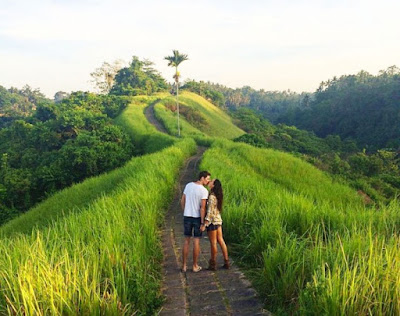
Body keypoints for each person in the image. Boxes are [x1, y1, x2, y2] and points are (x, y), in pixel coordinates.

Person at [180, 171, 211, 273]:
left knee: (186, 241)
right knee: (196, 241)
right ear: (202, 178)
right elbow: (202, 208)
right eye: (207, 179)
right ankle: (194, 265)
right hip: (197, 218)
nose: (208, 181)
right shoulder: (204, 191)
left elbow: (182, 200)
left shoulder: (188, 185)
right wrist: (203, 223)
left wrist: (185, 210)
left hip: (187, 216)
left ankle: (184, 266)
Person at [204, 179, 229, 270]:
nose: (209, 182)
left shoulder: (211, 197)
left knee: (213, 243)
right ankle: (226, 261)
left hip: (213, 222)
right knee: (221, 240)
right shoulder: (218, 195)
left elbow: (210, 212)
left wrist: (205, 223)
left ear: (213, 185)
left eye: (211, 182)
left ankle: (213, 263)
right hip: (218, 220)